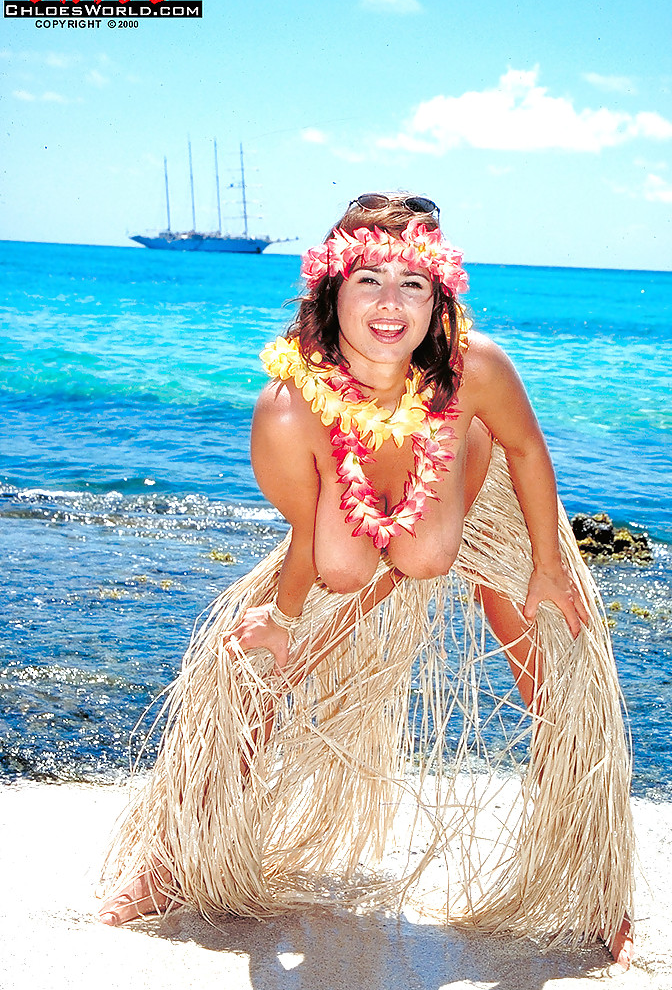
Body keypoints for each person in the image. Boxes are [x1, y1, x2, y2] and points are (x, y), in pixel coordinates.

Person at [99, 193, 634, 969]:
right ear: (331, 289)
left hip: (483, 499)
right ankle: (170, 859)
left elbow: (526, 450)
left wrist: (549, 569)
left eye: (413, 283)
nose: (390, 303)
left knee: (562, 678)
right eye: (368, 280)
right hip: (355, 519)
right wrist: (289, 619)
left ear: (439, 295)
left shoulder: (477, 366)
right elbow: (308, 536)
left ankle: (595, 889)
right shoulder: (294, 404)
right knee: (247, 669)